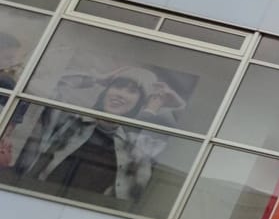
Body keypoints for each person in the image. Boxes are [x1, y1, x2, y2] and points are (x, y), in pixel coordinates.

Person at [9, 69, 174, 202]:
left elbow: (137, 195)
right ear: (106, 91)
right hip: (34, 200)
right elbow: (32, 85)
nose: (121, 94)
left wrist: (174, 106)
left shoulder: (134, 147)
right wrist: (95, 78)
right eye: (117, 86)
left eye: (132, 91)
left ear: (140, 103)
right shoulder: (70, 121)